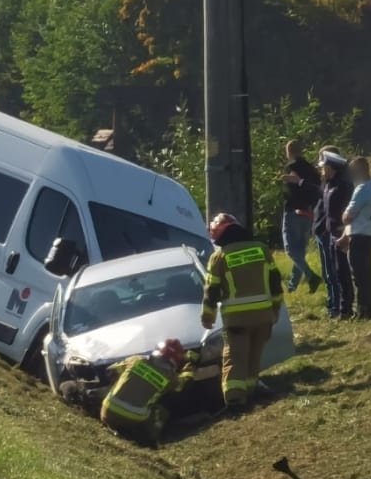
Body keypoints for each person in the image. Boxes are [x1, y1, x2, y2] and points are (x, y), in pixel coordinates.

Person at [203, 213, 283, 408]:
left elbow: (212, 290)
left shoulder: (219, 257)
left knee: (235, 357)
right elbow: (275, 283)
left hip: (237, 319)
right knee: (254, 355)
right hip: (263, 315)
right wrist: (275, 309)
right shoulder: (262, 249)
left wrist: (208, 315)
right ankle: (251, 391)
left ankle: (235, 400)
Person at [100, 338, 194, 447]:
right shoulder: (171, 378)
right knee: (162, 411)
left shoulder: (136, 360)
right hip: (133, 421)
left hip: (107, 412)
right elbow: (183, 384)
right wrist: (189, 368)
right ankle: (151, 441)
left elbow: (111, 371)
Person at [314, 149, 354, 320]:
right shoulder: (329, 185)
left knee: (343, 273)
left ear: (333, 168)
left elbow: (348, 212)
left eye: (325, 167)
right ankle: (339, 307)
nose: (322, 171)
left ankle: (346, 308)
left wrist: (344, 233)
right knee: (336, 273)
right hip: (330, 234)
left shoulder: (343, 186)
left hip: (340, 233)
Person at [342, 156, 371, 320]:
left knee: (359, 275)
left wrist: (345, 215)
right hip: (367, 235)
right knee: (365, 274)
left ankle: (363, 311)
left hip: (360, 235)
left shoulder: (363, 189)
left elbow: (348, 215)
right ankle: (367, 308)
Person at [279, 141, 322, 294]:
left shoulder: (291, 168)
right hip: (309, 213)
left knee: (291, 249)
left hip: (292, 211)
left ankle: (311, 276)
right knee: (299, 251)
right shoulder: (312, 169)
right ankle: (292, 286)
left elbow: (289, 190)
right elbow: (317, 189)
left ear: (288, 151)